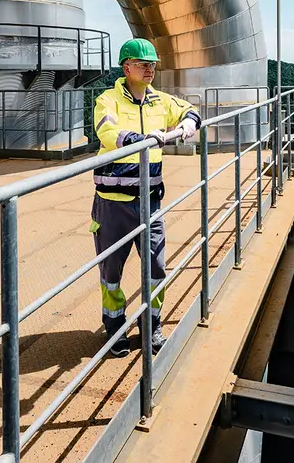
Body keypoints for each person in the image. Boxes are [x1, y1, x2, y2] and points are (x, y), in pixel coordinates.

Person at [91, 37, 201, 358]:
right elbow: (107, 131)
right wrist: (140, 139)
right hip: (112, 202)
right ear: (127, 68)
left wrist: (186, 125)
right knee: (111, 272)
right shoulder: (108, 100)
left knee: (156, 267)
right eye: (143, 64)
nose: (150, 69)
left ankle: (151, 324)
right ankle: (115, 327)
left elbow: (190, 110)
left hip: (149, 202)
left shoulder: (159, 101)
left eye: (152, 64)